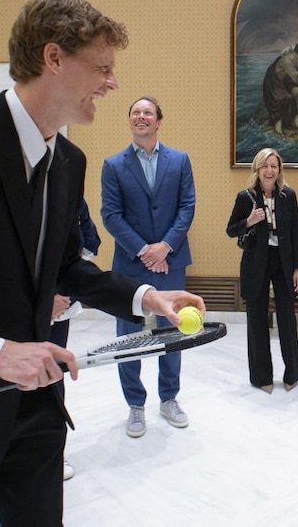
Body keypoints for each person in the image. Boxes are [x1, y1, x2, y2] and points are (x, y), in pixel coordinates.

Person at [0, 0, 205, 527]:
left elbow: (60, 267)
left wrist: (144, 295)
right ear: (53, 59)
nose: (113, 83)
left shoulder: (69, 160)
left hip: (32, 416)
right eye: (102, 67)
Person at [101, 95, 196, 437]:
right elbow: (110, 215)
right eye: (136, 112)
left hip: (171, 261)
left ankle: (169, 398)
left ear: (158, 121)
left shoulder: (180, 160)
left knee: (173, 330)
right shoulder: (113, 165)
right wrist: (144, 250)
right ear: (130, 121)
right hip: (130, 263)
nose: (141, 117)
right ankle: (135, 405)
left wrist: (165, 247)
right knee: (128, 336)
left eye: (148, 112)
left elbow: (187, 206)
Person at [226, 147, 298, 393]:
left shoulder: (288, 196)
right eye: (265, 166)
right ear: (257, 170)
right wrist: (249, 221)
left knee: (287, 320)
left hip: (284, 263)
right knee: (257, 321)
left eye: (274, 166)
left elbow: (295, 234)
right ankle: (262, 378)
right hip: (255, 262)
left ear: (279, 169)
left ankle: (292, 375)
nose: (269, 171)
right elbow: (231, 229)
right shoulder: (245, 197)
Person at [49, 198, 102, 480]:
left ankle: (54, 452)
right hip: (4, 313)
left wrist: (63, 295)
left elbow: (91, 242)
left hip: (58, 311)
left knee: (52, 379)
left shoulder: (69, 196)